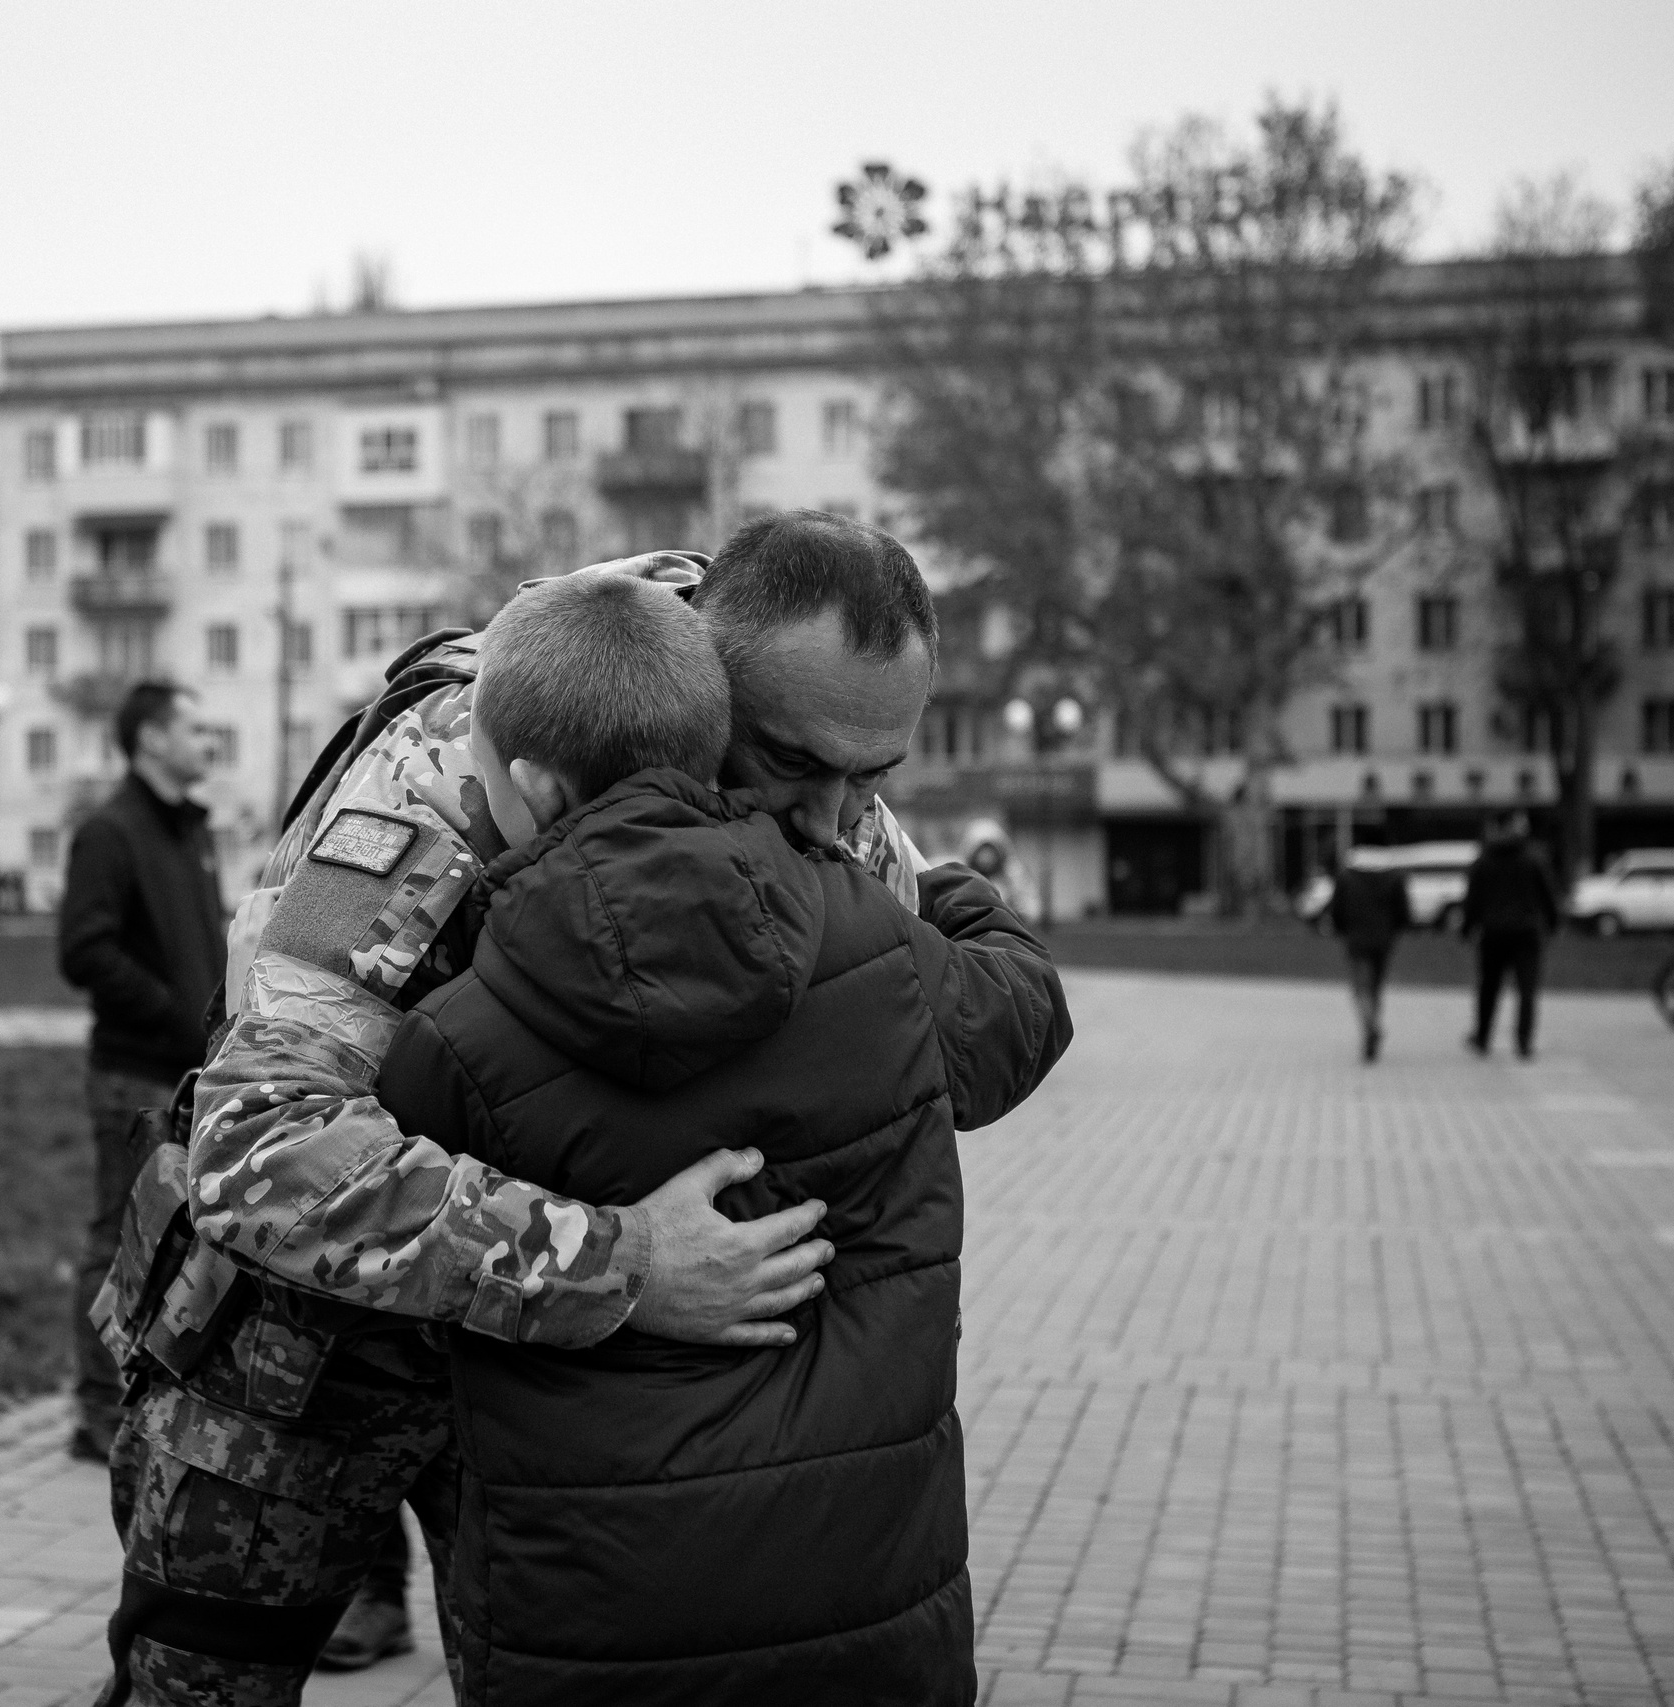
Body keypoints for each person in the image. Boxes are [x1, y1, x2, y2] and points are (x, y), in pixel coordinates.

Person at [93, 514, 1071, 1706]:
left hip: (544, 1392)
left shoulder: (811, 754)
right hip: (300, 1358)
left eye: (872, 778)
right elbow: (258, 1150)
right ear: (702, 680)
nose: (832, 824)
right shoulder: (458, 766)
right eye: (797, 767)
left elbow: (900, 1014)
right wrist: (615, 1262)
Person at [372, 573, 1068, 1704]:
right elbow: (1021, 1017)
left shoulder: (452, 1039)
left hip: (592, 1621)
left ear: (532, 788)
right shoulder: (872, 945)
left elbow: (321, 1177)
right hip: (864, 1600)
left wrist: (597, 1257)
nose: (838, 813)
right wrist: (953, 894)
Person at [58, 681, 226, 1471]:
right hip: (133, 1074)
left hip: (186, 1069)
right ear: (152, 739)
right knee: (120, 1237)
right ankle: (94, 1410)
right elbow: (83, 950)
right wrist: (169, 1008)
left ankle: (142, 1395)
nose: (209, 739)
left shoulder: (189, 831)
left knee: (171, 1241)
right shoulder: (110, 832)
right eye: (195, 726)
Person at [1461, 813, 1559, 1060]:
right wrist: (1553, 923)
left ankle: (1483, 1038)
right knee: (1527, 989)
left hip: (1492, 932)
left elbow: (1473, 898)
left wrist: (1467, 927)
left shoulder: (1485, 858)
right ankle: (1523, 1042)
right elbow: (1548, 894)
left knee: (1488, 987)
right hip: (1526, 931)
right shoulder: (1532, 857)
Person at [1328, 848, 1412, 1062]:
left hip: (1357, 939)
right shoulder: (1394, 876)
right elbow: (1403, 912)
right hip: (1384, 940)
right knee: (1375, 986)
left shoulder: (1347, 877)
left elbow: (1337, 910)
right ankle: (1372, 1025)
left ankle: (1370, 1026)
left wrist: (1341, 929)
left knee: (1360, 987)